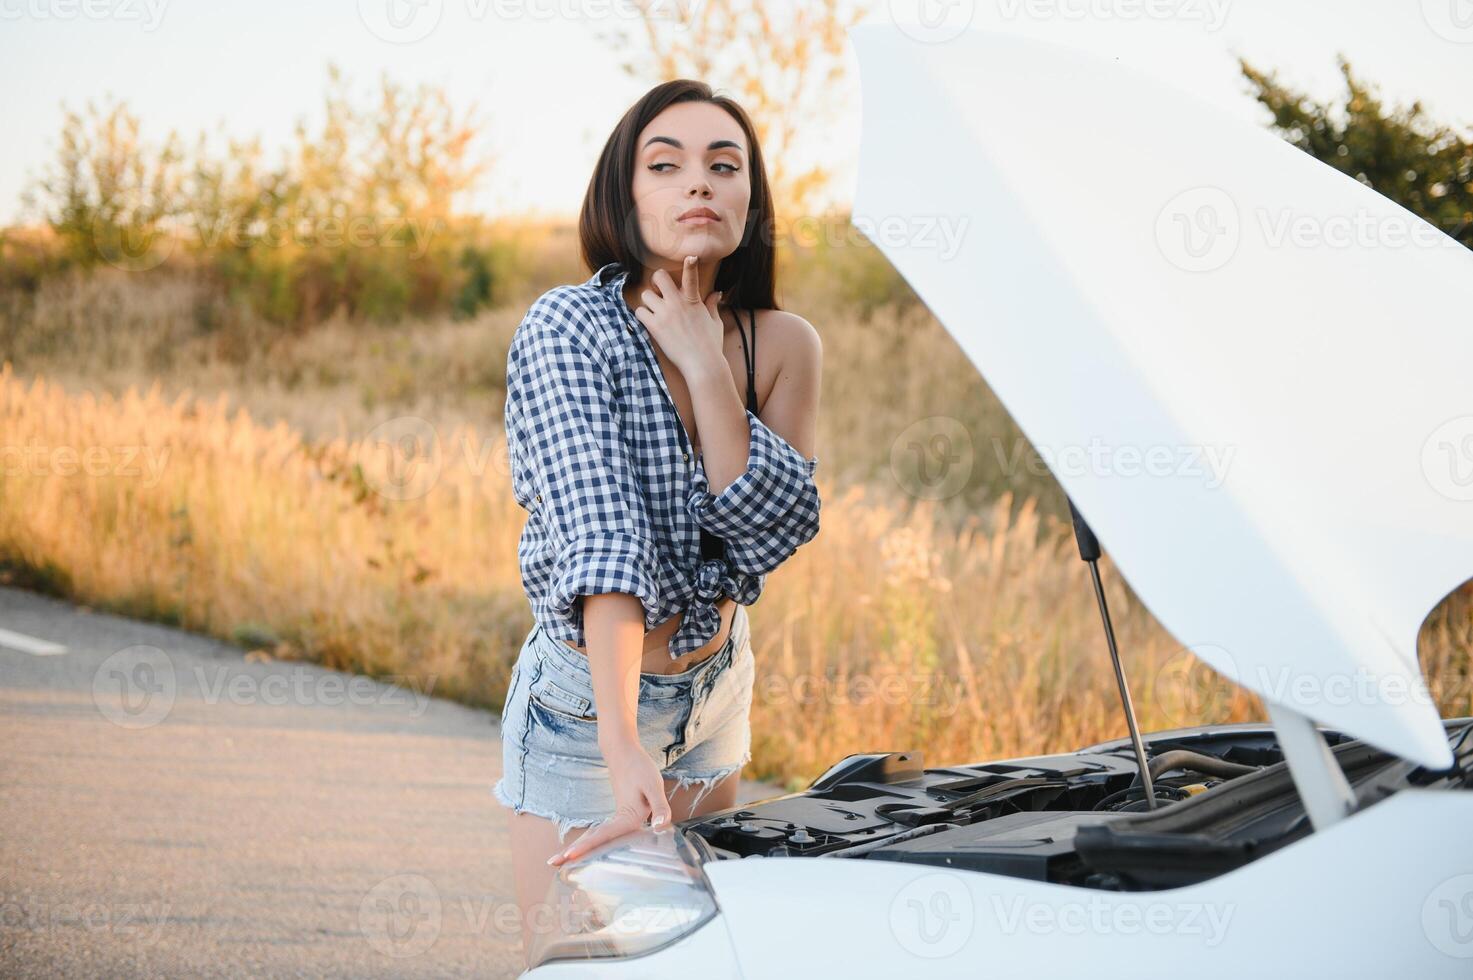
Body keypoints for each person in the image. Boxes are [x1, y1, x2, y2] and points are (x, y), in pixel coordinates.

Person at [492, 78, 824, 965]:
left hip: (717, 686)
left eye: (725, 165)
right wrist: (620, 742)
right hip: (588, 706)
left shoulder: (782, 344)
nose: (699, 184)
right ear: (625, 194)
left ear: (750, 202)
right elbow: (602, 543)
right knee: (581, 964)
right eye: (665, 164)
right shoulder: (569, 328)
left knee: (701, 957)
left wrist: (707, 369)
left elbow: (772, 533)